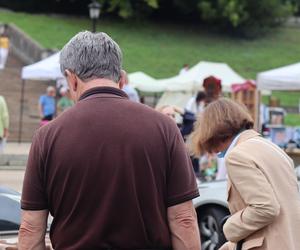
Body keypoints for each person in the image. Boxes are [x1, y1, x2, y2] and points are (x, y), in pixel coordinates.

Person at [19, 31, 201, 250]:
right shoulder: (165, 128)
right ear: (122, 78)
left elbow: (31, 228)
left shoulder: (47, 137)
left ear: (71, 78)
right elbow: (183, 219)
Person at [190, 98, 300, 250]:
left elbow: (265, 208)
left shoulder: (238, 155)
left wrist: (228, 227)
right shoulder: (271, 147)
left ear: (212, 133)